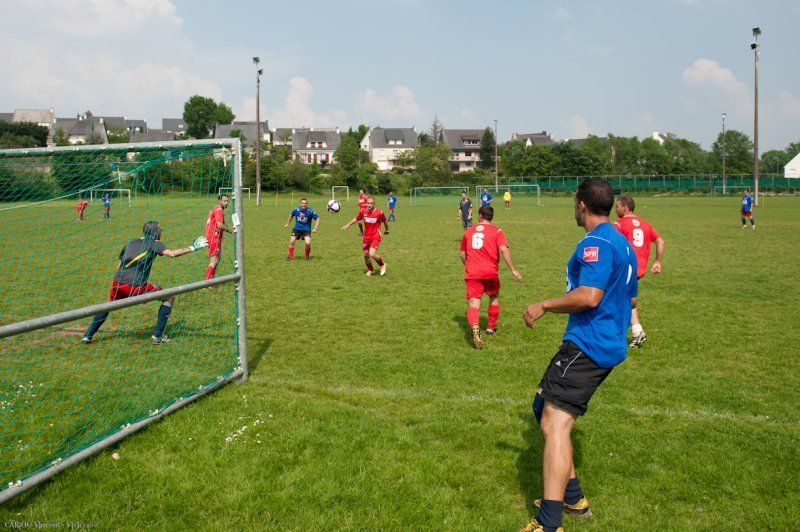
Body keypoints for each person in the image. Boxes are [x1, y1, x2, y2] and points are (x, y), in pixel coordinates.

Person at [521, 178, 637, 532]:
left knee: (554, 423)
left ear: (581, 204)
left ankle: (549, 521)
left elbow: (589, 296)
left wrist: (543, 305)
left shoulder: (598, 243)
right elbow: (631, 298)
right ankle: (573, 497)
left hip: (589, 344)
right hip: (605, 341)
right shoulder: (622, 241)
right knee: (543, 407)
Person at [81, 221, 208, 345]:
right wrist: (193, 247)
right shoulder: (154, 243)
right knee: (169, 297)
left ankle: (87, 336)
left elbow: (119, 264)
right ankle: (157, 336)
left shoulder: (131, 242)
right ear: (156, 233)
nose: (161, 233)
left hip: (118, 282)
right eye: (160, 230)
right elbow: (172, 254)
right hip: (135, 286)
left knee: (108, 305)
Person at [460, 205, 522, 349]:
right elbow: (503, 249)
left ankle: (475, 328)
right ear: (491, 217)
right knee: (494, 296)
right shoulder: (498, 231)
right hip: (490, 272)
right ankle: (490, 328)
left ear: (480, 215)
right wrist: (513, 269)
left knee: (474, 304)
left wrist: (469, 266)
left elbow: (462, 254)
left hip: (473, 272)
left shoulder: (468, 232)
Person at [613, 195, 665, 348]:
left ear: (625, 208)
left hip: (624, 267)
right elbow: (660, 241)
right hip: (639, 268)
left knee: (613, 299)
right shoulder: (646, 224)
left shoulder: (619, 224)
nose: (615, 209)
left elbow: (610, 239)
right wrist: (657, 262)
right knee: (626, 299)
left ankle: (616, 335)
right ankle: (637, 332)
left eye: (617, 207)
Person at [341, 196, 389, 276]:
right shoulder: (363, 211)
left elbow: (385, 221)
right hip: (366, 236)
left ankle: (382, 265)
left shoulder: (379, 212)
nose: (369, 205)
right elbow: (357, 218)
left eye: (371, 203)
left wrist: (387, 230)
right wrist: (348, 225)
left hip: (376, 235)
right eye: (368, 203)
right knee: (366, 255)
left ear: (374, 204)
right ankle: (371, 270)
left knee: (372, 253)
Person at [205, 194, 234, 279]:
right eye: (224, 201)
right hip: (214, 237)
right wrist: (230, 231)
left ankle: (210, 280)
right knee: (214, 260)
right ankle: (208, 282)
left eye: (227, 201)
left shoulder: (216, 208)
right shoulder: (219, 210)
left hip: (212, 236)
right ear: (219, 201)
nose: (226, 203)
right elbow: (219, 225)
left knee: (216, 259)